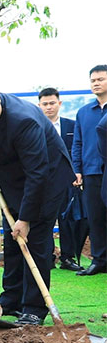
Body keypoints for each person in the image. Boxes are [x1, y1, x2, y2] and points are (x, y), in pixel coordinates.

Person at [0, 77, 74, 325]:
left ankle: (34, 308)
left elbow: (38, 173)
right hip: (13, 180)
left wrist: (25, 218)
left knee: (34, 241)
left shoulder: (24, 121)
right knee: (12, 242)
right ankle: (11, 299)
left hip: (46, 181)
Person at [38, 87, 86, 271]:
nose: (49, 107)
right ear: (39, 105)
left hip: (68, 181)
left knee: (68, 220)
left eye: (52, 103)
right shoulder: (34, 126)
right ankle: (47, 257)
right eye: (45, 104)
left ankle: (67, 257)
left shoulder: (72, 126)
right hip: (43, 182)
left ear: (59, 104)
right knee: (44, 220)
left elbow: (77, 150)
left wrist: (77, 172)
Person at [71, 65, 107, 276]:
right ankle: (100, 260)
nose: (96, 83)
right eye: (93, 80)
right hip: (92, 171)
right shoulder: (84, 112)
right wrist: (77, 169)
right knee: (95, 217)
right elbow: (78, 143)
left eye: (101, 79)